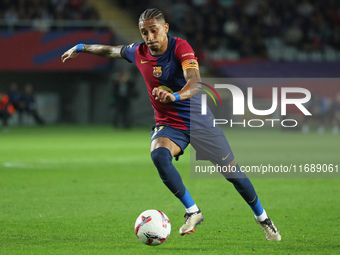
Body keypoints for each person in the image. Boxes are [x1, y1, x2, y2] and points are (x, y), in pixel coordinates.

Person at [61, 8, 281, 241]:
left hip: (199, 122)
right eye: (144, 32)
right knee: (158, 154)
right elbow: (110, 50)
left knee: (233, 174)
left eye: (153, 30)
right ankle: (193, 211)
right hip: (169, 124)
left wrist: (175, 96)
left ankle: (263, 219)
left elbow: (195, 82)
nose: (149, 36)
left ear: (165, 28)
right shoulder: (138, 52)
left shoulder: (180, 48)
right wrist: (80, 48)